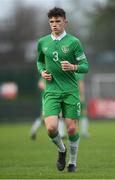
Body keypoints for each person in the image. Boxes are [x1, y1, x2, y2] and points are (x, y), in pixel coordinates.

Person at [37, 7, 89, 172]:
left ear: (65, 22)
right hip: (51, 91)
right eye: (51, 21)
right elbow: (39, 62)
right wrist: (42, 71)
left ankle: (72, 162)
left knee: (72, 128)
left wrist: (73, 66)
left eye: (58, 21)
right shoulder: (42, 42)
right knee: (51, 128)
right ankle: (61, 150)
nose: (54, 24)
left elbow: (85, 67)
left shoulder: (74, 42)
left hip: (70, 91)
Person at [77, 73, 90, 138]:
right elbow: (81, 84)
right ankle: (84, 132)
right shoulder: (78, 72)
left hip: (66, 95)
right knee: (84, 113)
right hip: (77, 95)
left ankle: (62, 133)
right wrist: (82, 95)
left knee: (63, 115)